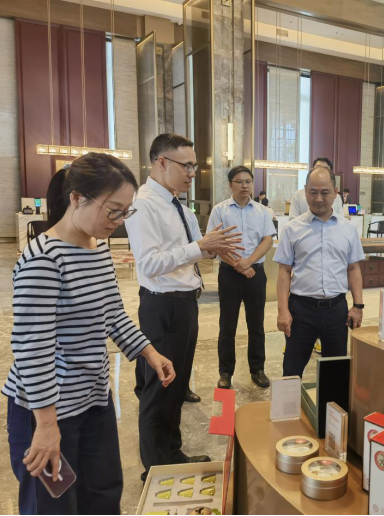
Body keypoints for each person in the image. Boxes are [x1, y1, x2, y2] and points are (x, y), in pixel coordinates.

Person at [3, 154, 176, 515]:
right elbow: (33, 348)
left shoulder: (96, 249)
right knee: (54, 505)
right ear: (77, 198)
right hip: (48, 408)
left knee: (102, 495)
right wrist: (46, 424)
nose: (119, 221)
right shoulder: (44, 259)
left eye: (126, 212)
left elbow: (112, 313)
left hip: (93, 397)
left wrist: (149, 352)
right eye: (113, 210)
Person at [125, 133, 243, 481]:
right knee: (158, 387)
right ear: (161, 162)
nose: (193, 173)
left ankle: (172, 452)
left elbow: (192, 251)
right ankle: (156, 467)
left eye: (194, 166)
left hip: (186, 304)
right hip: (162, 306)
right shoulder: (144, 204)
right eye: (186, 166)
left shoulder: (178, 204)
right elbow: (150, 264)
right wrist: (200, 247)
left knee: (176, 387)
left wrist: (213, 248)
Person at [275, 166, 365, 377]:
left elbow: (353, 268)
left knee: (335, 371)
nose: (318, 198)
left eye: (325, 193)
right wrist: (283, 310)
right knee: (292, 370)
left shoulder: (348, 229)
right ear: (305, 191)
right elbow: (284, 271)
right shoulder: (292, 228)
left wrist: (358, 306)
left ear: (335, 192)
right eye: (313, 192)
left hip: (336, 310)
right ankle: (290, 401)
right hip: (301, 310)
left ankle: (331, 400)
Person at [208, 166, 276, 390]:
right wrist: (238, 265)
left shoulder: (262, 211)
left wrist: (249, 262)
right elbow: (214, 243)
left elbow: (267, 240)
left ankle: (257, 369)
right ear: (230, 185)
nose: (245, 185)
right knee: (227, 325)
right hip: (229, 273)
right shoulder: (220, 210)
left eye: (248, 181)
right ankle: (225, 372)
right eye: (239, 181)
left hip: (256, 273)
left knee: (256, 324)